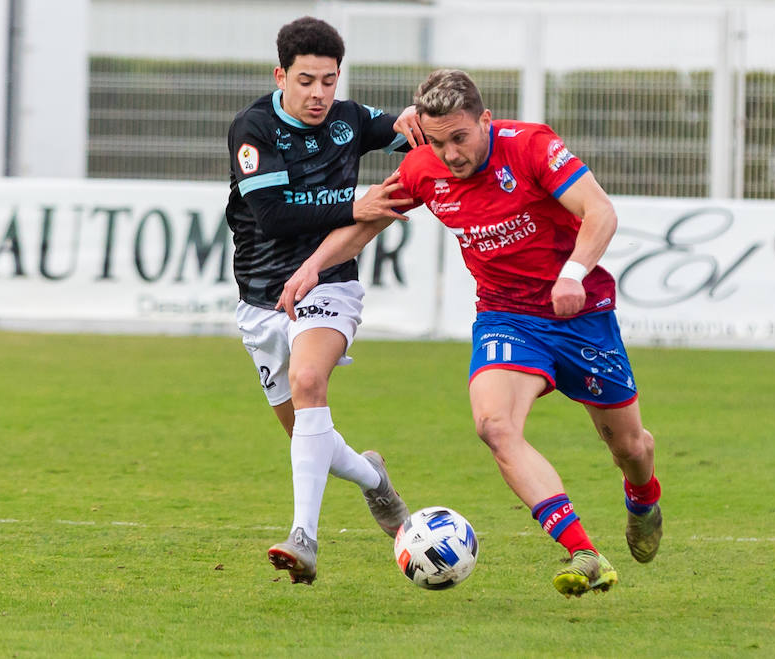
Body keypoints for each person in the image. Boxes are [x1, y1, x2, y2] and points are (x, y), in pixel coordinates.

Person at [277, 69, 663, 598]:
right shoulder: (423, 169)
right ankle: (583, 551)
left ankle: (643, 496)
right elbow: (368, 221)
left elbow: (599, 211)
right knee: (494, 425)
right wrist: (312, 268)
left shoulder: (530, 147)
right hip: (506, 317)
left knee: (630, 446)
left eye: (459, 138)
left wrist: (572, 273)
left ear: (485, 120)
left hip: (581, 315)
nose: (450, 154)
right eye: (437, 142)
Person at [225, 16, 424, 585]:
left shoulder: (350, 120)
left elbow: (411, 134)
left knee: (312, 385)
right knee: (307, 436)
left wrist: (418, 123)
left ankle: (303, 538)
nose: (318, 94)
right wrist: (354, 207)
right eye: (306, 80)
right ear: (280, 75)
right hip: (261, 299)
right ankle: (373, 478)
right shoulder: (254, 128)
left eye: (329, 81)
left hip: (329, 283)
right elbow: (274, 217)